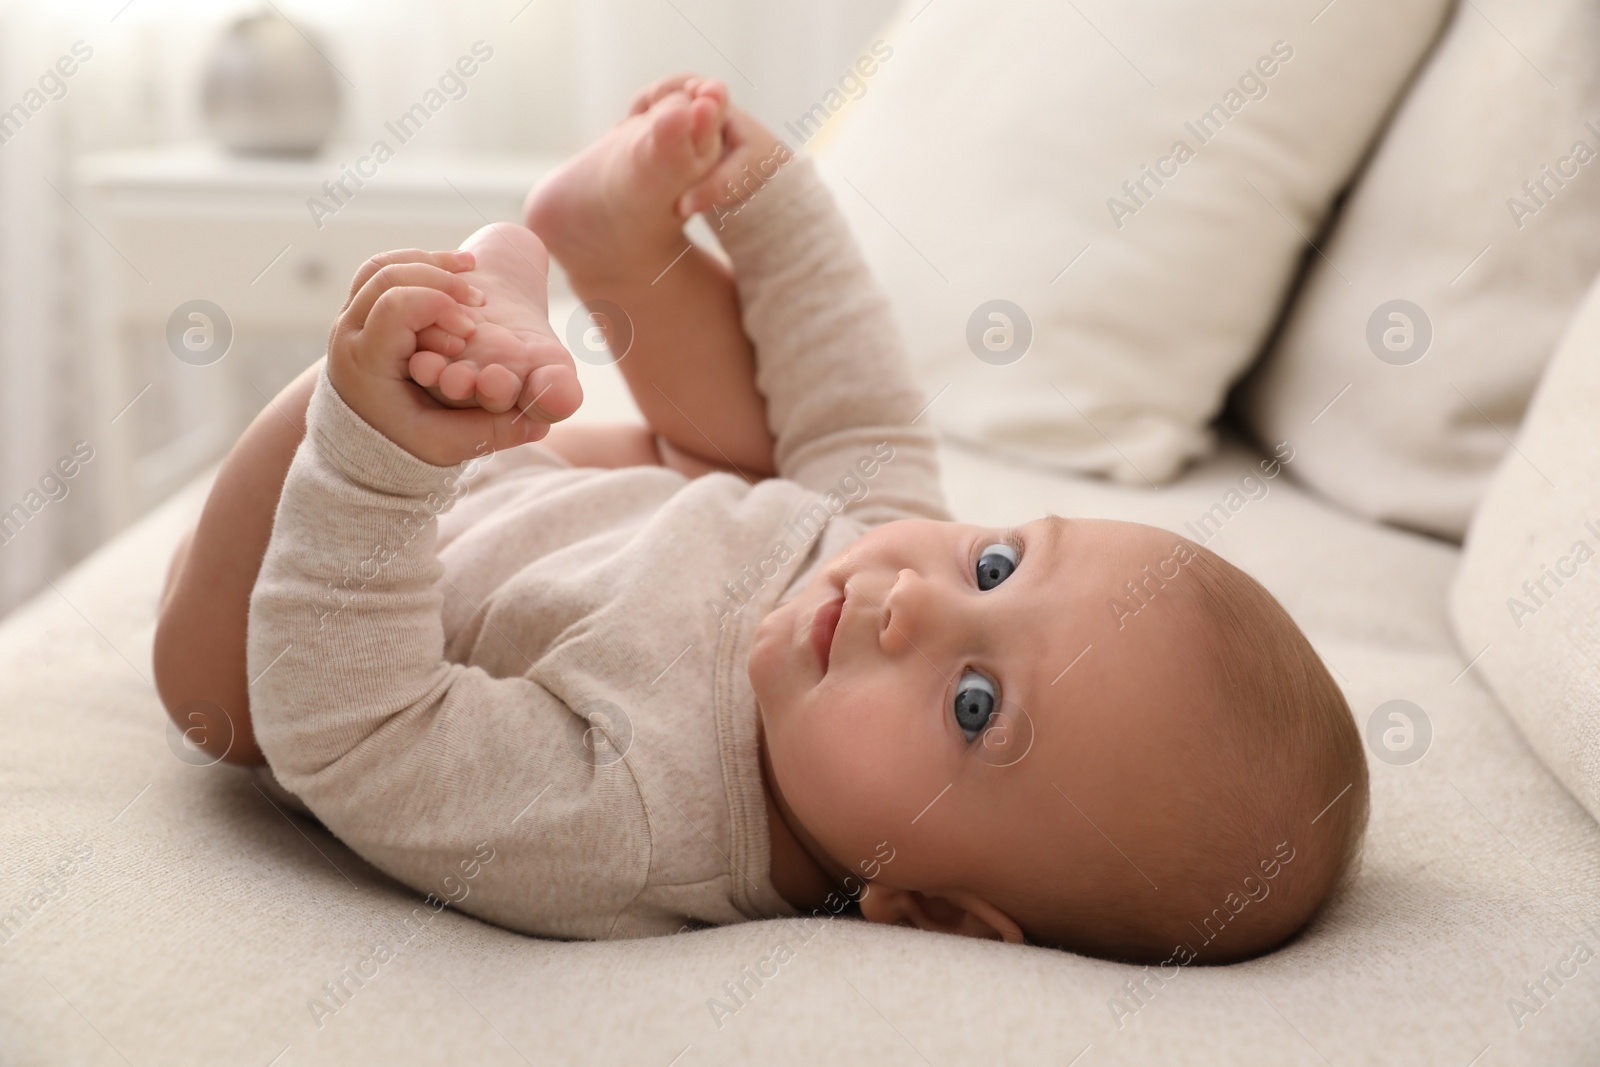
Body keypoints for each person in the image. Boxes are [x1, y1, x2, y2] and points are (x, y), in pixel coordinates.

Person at [153, 76, 1367, 963]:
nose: (916, 601)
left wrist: (374, 458)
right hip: (542, 489)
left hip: (303, 605)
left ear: (930, 910)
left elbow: (359, 737)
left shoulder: (638, 823)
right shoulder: (872, 569)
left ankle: (416, 382)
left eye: (974, 705)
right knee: (772, 455)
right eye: (996, 563)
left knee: (224, 701)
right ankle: (613, 248)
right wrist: (766, 199)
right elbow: (856, 396)